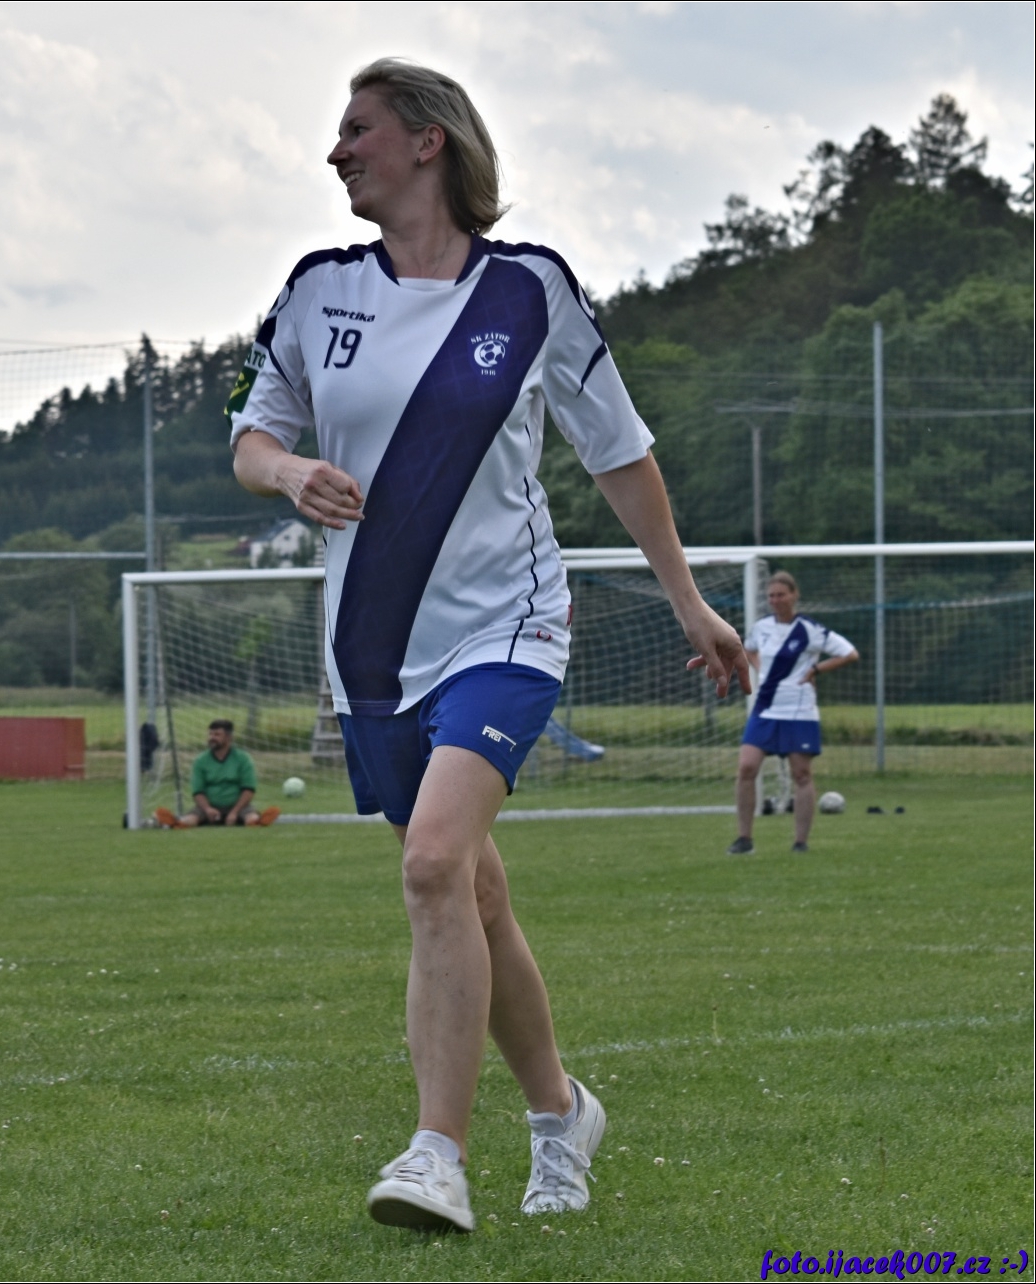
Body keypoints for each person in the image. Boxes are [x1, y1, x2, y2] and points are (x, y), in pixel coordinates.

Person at [226, 58, 748, 1232]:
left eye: (356, 129)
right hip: (370, 652)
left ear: (429, 140)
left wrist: (688, 602)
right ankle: (561, 1114)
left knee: (430, 866)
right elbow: (251, 437)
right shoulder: (316, 291)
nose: (335, 151)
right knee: (471, 890)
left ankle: (435, 1157)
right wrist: (289, 472)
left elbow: (619, 453)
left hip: (508, 628)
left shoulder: (529, 291)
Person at [728, 571, 858, 855]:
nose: (776, 600)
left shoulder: (810, 629)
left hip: (799, 711)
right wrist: (759, 667)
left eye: (781, 595)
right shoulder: (761, 627)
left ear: (794, 595)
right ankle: (744, 839)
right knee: (747, 767)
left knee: (801, 774)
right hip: (765, 708)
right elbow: (748, 649)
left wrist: (815, 670)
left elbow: (850, 653)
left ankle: (800, 843)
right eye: (771, 596)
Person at [154, 719, 282, 828]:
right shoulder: (200, 761)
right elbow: (198, 792)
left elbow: (248, 789)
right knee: (190, 820)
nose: (212, 738)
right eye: (210, 734)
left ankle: (259, 822)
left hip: (238, 806)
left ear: (229, 738)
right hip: (208, 807)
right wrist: (208, 809)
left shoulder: (243, 759)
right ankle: (175, 823)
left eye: (217, 734)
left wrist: (234, 812)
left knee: (251, 818)